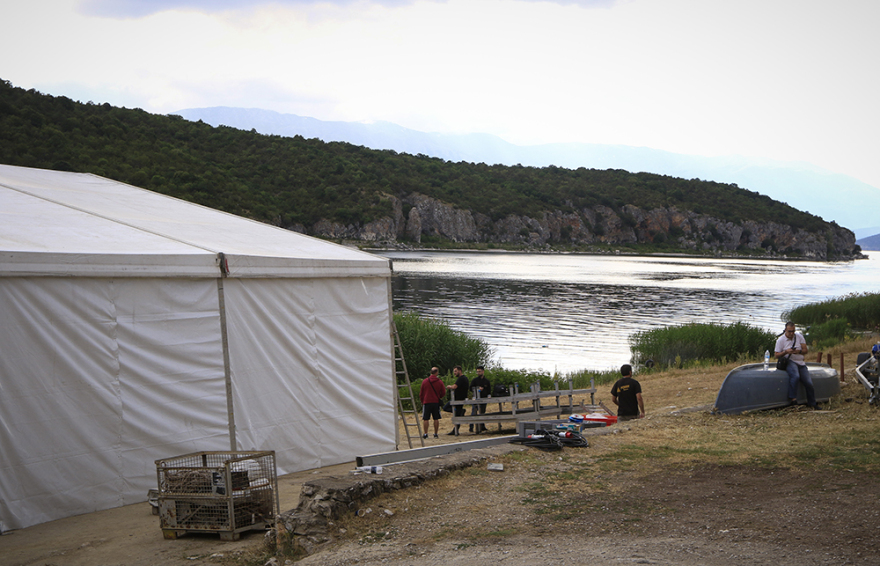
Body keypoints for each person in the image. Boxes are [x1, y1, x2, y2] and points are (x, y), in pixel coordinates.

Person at [775, 321, 818, 409]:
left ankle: (812, 403)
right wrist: (786, 352)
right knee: (795, 376)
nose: (791, 333)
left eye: (793, 331)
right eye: (789, 331)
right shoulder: (780, 340)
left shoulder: (799, 336)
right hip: (789, 360)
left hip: (800, 361)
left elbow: (805, 350)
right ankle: (793, 399)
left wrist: (799, 351)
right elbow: (776, 355)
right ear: (785, 330)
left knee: (808, 382)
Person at [420, 367, 446, 438]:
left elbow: (421, 393)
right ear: (436, 372)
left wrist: (422, 401)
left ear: (430, 372)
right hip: (435, 402)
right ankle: (435, 433)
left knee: (425, 418)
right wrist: (439, 396)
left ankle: (425, 433)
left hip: (427, 401)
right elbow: (443, 392)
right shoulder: (439, 381)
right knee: (436, 418)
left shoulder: (425, 381)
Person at [446, 365, 470, 436]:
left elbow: (455, 386)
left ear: (460, 371)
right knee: (458, 415)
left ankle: (461, 411)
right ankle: (455, 430)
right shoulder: (464, 378)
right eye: (454, 371)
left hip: (458, 399)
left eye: (456, 371)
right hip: (460, 398)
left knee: (446, 407)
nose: (455, 373)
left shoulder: (461, 378)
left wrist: (449, 387)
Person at [469, 366, 491, 433]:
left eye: (479, 371)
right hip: (476, 398)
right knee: (474, 412)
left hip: (483, 399)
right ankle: (471, 427)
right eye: (477, 371)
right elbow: (470, 388)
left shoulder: (486, 381)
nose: (478, 373)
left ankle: (482, 426)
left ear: (483, 371)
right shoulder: (475, 380)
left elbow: (489, 390)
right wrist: (477, 389)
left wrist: (488, 395)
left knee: (482, 412)